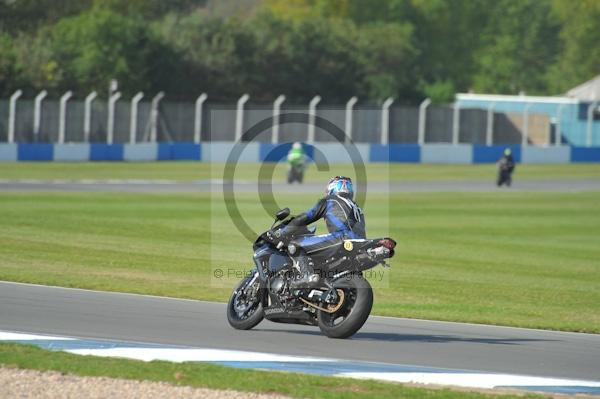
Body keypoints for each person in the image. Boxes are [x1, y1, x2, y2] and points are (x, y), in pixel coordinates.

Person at [271, 176, 365, 289]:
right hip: (361, 243)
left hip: (342, 238)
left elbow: (305, 218)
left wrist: (283, 231)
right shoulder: (356, 207)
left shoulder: (329, 200)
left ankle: (307, 276)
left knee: (295, 244)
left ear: (332, 188)